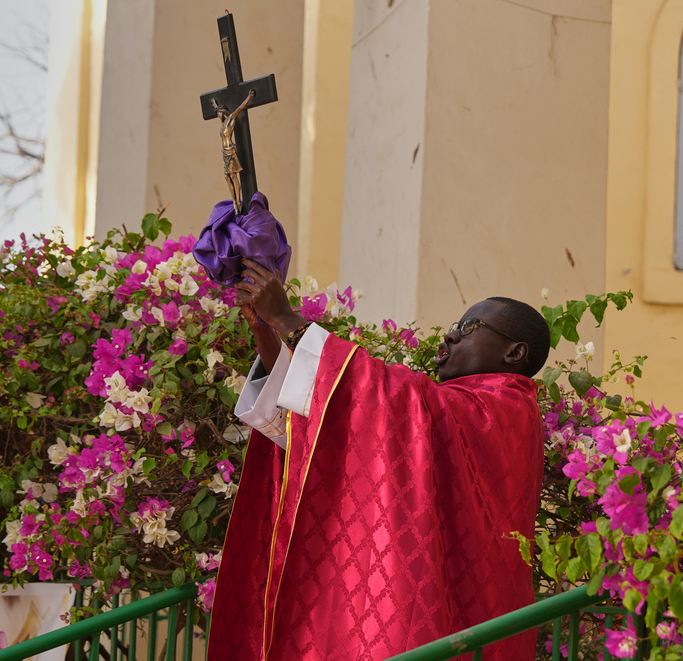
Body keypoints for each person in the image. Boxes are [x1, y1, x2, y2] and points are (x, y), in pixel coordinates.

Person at [206, 259, 550, 661]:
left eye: (467, 328)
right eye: (452, 328)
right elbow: (314, 421)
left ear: (515, 352)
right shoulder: (454, 409)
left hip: (466, 619)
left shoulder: (506, 408)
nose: (449, 340)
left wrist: (285, 317)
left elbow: (384, 395)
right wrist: (267, 332)